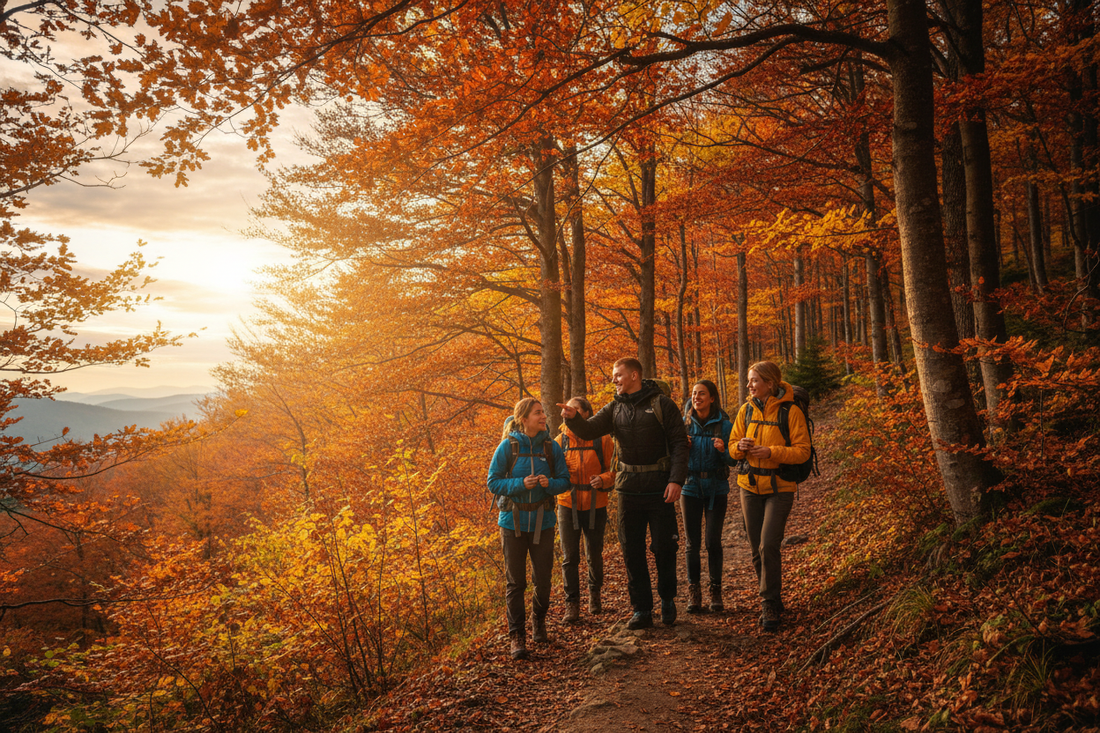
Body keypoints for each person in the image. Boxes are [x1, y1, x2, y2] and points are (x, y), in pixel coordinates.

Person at [559, 358, 689, 630]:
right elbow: (591, 429)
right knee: (632, 551)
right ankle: (641, 609)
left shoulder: (662, 405)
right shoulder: (615, 407)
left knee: (664, 547)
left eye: (618, 375)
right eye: (613, 376)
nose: (614, 380)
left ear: (634, 375)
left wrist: (676, 480)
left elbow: (679, 444)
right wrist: (573, 420)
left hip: (660, 487)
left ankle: (667, 599)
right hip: (628, 488)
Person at [730, 361, 811, 632]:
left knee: (768, 545)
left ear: (770, 383)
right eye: (749, 380)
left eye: (754, 381)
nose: (749, 385)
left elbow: (803, 451)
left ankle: (768, 602)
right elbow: (731, 447)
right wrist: (739, 447)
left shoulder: (792, 411)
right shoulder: (745, 410)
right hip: (749, 486)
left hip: (780, 488)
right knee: (756, 549)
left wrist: (772, 452)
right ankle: (773, 597)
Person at [487, 398, 570, 660]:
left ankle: (539, 621)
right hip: (512, 524)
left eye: (543, 412)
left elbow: (565, 481)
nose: (543, 416)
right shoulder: (507, 447)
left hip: (543, 523)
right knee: (516, 582)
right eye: (538, 413)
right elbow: (493, 482)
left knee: (543, 580)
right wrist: (521, 484)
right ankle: (517, 636)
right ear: (524, 419)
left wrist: (550, 484)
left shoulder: (551, 447)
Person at [555, 397, 616, 623]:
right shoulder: (559, 441)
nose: (569, 412)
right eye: (568, 409)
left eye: (575, 409)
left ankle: (595, 596)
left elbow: (615, 470)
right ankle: (572, 604)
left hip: (596, 505)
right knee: (569, 557)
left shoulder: (603, 439)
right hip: (567, 504)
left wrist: (603, 479)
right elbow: (552, 474)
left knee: (594, 555)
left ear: (586, 414)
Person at [680, 380, 737, 614]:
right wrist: (681, 448)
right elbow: (671, 456)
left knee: (713, 542)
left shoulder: (724, 425)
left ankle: (715, 590)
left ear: (712, 398)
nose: (697, 397)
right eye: (694, 394)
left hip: (716, 488)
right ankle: (694, 591)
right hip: (690, 487)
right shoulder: (683, 424)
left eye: (702, 394)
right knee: (691, 544)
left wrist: (724, 451)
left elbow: (735, 460)